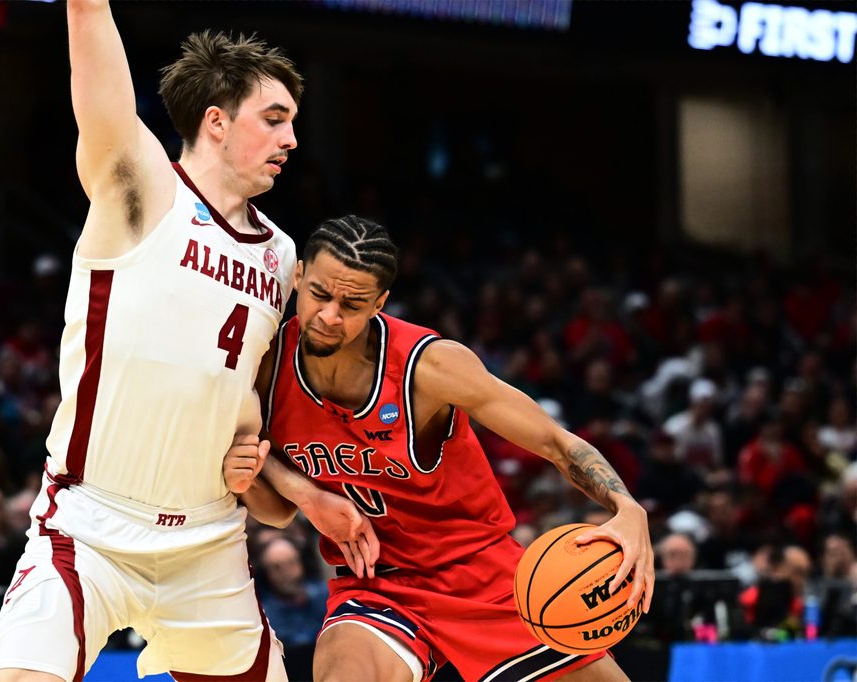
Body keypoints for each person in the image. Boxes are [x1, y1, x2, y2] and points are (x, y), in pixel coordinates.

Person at [0, 6, 377, 682]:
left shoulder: (284, 257)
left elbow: (248, 412)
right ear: (217, 121)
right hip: (89, 523)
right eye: (274, 117)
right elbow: (100, 88)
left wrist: (281, 480)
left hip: (208, 539)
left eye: (292, 122)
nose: (290, 139)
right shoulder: (143, 187)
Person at [227, 216, 655, 681]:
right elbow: (275, 512)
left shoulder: (429, 367)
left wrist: (626, 506)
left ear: (380, 303)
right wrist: (304, 494)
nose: (330, 316)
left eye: (352, 304)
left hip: (483, 574)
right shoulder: (262, 366)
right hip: (377, 586)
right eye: (320, 295)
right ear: (298, 275)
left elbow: (555, 442)